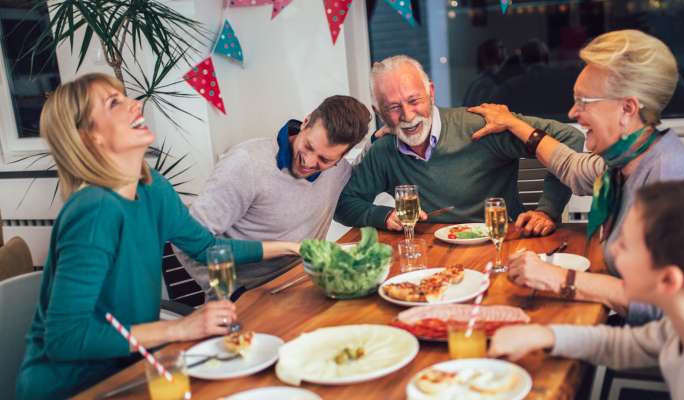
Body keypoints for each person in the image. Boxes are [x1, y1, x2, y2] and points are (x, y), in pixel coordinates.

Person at [16, 73, 298, 399]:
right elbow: (65, 338)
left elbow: (207, 248)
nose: (135, 104)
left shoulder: (152, 187)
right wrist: (179, 328)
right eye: (114, 103)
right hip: (75, 387)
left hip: (133, 369)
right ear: (89, 137)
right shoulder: (94, 211)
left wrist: (292, 247)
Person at [468, 30, 684, 329]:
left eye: (584, 102)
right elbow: (572, 167)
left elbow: (662, 308)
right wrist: (514, 124)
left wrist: (562, 279)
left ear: (627, 109)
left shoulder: (669, 181)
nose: (573, 113)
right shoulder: (629, 160)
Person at [490, 179, 684, 399]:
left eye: (626, 245)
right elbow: (622, 345)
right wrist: (544, 335)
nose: (613, 251)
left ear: (668, 280)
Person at [334, 55, 585, 235]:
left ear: (431, 92)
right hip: (430, 259)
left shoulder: (483, 125)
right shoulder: (383, 151)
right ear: (379, 111)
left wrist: (547, 211)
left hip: (502, 243)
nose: (409, 116)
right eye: (394, 107)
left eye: (414, 101)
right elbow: (344, 205)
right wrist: (384, 216)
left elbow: (569, 137)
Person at [177, 95, 371, 290]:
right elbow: (186, 242)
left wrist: (380, 139)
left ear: (341, 157)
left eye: (325, 159)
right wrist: (227, 292)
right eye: (308, 147)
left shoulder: (339, 170)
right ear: (305, 122)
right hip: (248, 295)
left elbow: (366, 175)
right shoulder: (246, 164)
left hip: (305, 284)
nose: (309, 162)